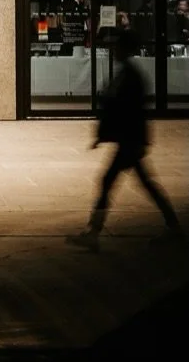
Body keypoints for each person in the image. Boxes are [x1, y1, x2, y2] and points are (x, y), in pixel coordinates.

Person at [68, 30, 182, 250]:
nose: (114, 51)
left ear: (125, 49)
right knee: (140, 183)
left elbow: (123, 109)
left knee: (111, 181)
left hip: (130, 141)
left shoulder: (129, 75)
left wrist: (104, 134)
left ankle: (93, 232)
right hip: (132, 140)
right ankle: (173, 226)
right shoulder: (129, 73)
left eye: (117, 47)